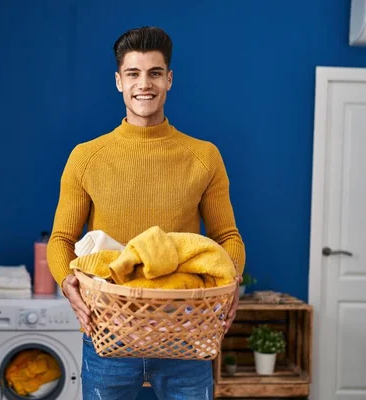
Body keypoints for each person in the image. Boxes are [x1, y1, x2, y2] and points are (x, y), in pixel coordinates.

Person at [47, 26, 245, 400]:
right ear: (118, 81)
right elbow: (61, 240)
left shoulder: (204, 156)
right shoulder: (86, 157)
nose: (145, 84)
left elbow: (227, 238)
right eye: (134, 74)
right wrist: (66, 281)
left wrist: (230, 279)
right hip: (109, 331)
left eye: (155, 73)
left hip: (185, 331)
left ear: (169, 80)